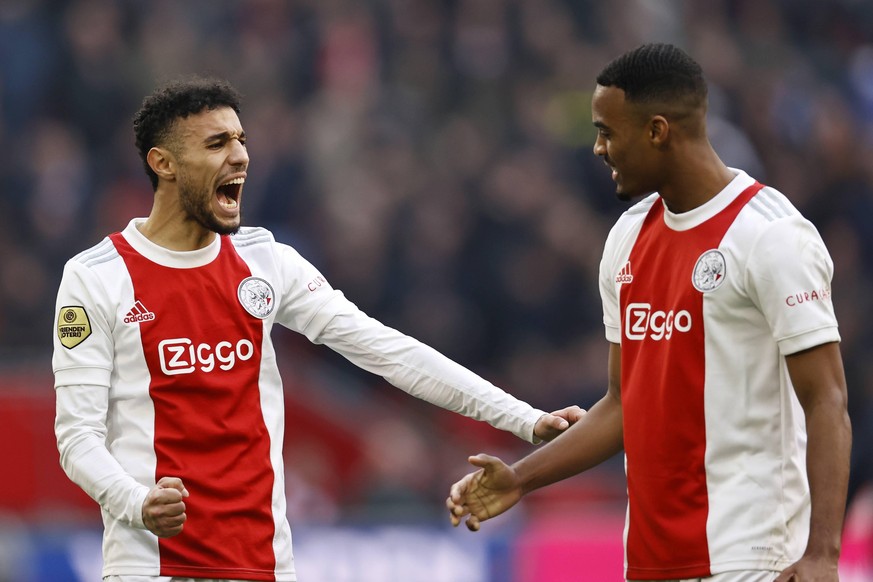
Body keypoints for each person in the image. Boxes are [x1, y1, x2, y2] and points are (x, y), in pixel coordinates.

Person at [52, 76, 583, 582]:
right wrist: (137, 503)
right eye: (217, 143)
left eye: (241, 140)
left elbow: (387, 350)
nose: (240, 156)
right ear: (162, 163)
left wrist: (525, 419)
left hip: (262, 563)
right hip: (151, 564)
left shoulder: (265, 261)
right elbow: (77, 437)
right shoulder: (97, 278)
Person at [446, 43, 852, 582]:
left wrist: (823, 554)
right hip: (649, 562)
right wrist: (520, 479)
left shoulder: (771, 236)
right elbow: (623, 404)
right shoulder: (628, 238)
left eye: (607, 132)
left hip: (751, 558)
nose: (597, 149)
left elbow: (827, 398)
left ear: (658, 130)